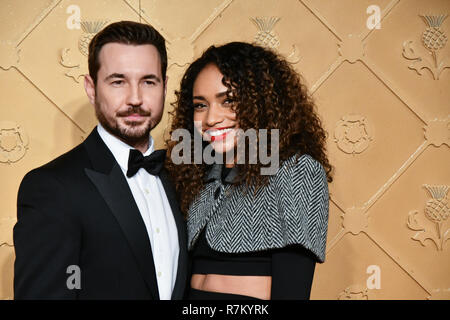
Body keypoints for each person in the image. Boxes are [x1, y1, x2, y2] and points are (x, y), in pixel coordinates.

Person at [13, 21, 187, 300]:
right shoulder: (51, 187)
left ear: (165, 86)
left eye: (148, 81)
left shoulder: (184, 177)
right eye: (118, 81)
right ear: (91, 88)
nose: (135, 98)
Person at [166, 42, 332, 300]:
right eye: (200, 105)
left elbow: (293, 288)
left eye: (228, 100)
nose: (211, 118)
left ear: (262, 103)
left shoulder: (297, 170)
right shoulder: (198, 175)